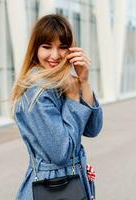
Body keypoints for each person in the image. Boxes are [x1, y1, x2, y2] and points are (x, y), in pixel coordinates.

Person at [10, 14, 103, 200]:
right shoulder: (35, 92)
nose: (55, 55)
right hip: (52, 187)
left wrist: (84, 82)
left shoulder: (64, 81)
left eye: (62, 47)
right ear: (35, 49)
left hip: (72, 183)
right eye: (46, 47)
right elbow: (61, 152)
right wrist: (73, 97)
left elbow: (93, 129)